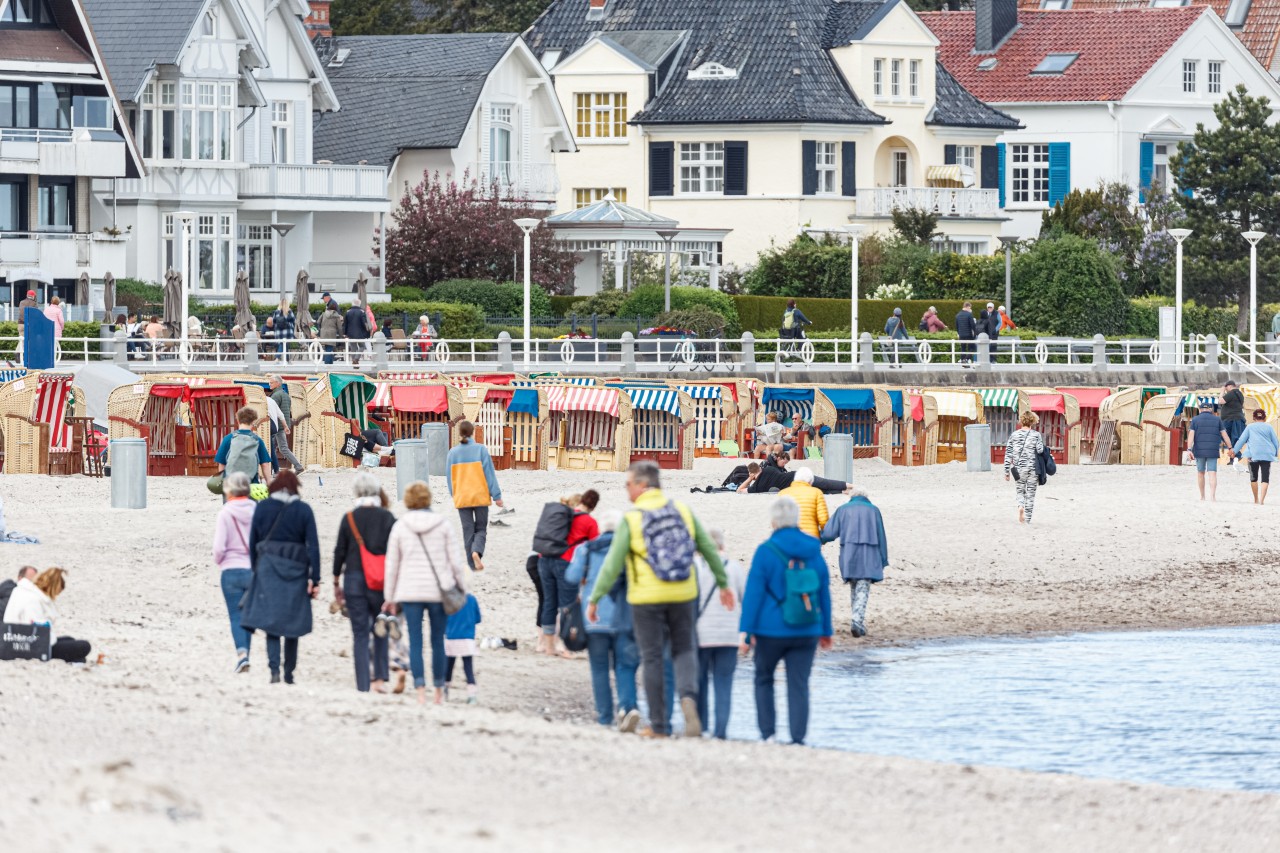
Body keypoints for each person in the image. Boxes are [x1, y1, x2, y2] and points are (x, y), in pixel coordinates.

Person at [588, 462, 732, 739]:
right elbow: (708, 550)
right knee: (685, 650)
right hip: (684, 592)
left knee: (652, 657)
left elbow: (612, 565)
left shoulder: (632, 519)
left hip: (646, 598)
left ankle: (659, 726)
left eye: (628, 484)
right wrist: (723, 584)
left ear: (643, 485)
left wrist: (595, 598)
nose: (627, 489)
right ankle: (688, 699)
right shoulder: (683, 510)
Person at [739, 497, 833, 745]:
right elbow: (823, 589)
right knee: (799, 684)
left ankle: (768, 734)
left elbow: (753, 594)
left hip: (769, 629)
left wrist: (746, 632)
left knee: (764, 678)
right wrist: (826, 630)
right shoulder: (813, 549)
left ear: (773, 521)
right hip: (807, 627)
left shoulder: (765, 551)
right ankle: (798, 738)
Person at [382, 480, 470, 705]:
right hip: (438, 590)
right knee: (438, 641)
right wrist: (461, 587)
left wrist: (389, 597)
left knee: (415, 641)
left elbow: (392, 566)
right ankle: (438, 691)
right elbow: (455, 562)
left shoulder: (400, 526)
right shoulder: (443, 524)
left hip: (409, 591)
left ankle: (420, 690)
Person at [243, 471, 321, 684]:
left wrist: (254, 569)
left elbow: (253, 541)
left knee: (272, 622)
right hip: (297, 568)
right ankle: (289, 673)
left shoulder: (262, 508)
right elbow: (313, 546)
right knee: (292, 622)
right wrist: (316, 578)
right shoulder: (304, 510)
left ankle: (274, 670)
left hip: (268, 568)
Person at [566, 510, 640, 731]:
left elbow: (570, 577)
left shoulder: (585, 549)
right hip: (623, 616)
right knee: (624, 665)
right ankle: (627, 708)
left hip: (594, 618)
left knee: (599, 668)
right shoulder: (628, 551)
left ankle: (604, 717)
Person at [332, 473, 396, 693]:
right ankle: (379, 679)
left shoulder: (349, 518)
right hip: (381, 580)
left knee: (360, 634)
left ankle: (362, 684)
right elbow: (396, 552)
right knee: (381, 629)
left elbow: (339, 551)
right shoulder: (388, 518)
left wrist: (335, 580)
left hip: (354, 580)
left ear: (357, 492)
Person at [695, 528, 747, 740]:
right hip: (728, 635)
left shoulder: (695, 569)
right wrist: (746, 634)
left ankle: (703, 727)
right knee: (723, 684)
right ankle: (721, 732)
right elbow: (747, 601)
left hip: (701, 635)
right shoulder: (734, 568)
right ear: (722, 546)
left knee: (700, 684)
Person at [821, 486, 889, 638]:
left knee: (854, 586)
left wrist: (819, 538)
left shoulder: (843, 509)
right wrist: (883, 558)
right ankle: (857, 622)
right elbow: (881, 535)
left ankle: (856, 620)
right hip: (868, 553)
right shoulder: (874, 510)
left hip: (849, 553)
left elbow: (830, 532)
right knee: (863, 587)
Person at [539, 491, 600, 656]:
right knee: (568, 605)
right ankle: (564, 646)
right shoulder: (589, 521)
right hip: (565, 562)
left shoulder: (564, 514)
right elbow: (595, 549)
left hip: (544, 559)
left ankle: (549, 646)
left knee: (549, 603)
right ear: (593, 506)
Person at [212, 472, 257, 673]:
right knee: (248, 615)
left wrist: (220, 561)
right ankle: (246, 651)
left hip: (230, 568)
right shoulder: (256, 509)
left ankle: (242, 654)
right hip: (252, 569)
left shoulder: (226, 512)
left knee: (235, 615)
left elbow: (219, 548)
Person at [446, 420, 503, 572]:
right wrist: (497, 496)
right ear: (472, 432)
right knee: (481, 528)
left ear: (460, 433)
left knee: (467, 530)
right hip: (480, 495)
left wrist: (454, 494)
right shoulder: (481, 450)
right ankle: (476, 551)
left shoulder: (452, 453)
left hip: (462, 497)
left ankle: (471, 565)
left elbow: (450, 478)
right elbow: (489, 474)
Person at [3, 567, 92, 663]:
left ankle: (76, 661)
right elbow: (36, 632)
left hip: (17, 642)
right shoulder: (32, 600)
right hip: (27, 648)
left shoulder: (25, 592)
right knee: (84, 646)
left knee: (70, 640)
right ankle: (75, 661)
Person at [1004, 411, 1046, 524]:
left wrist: (1006, 472)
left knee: (1020, 491)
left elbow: (1008, 454)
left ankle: (1020, 506)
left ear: (1021, 421)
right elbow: (1040, 450)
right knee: (1031, 494)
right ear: (1032, 421)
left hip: (1018, 469)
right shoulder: (1036, 435)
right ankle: (1027, 519)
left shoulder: (1014, 435)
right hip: (1033, 468)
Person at [215, 407, 272, 486]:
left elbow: (221, 463)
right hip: (251, 485)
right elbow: (265, 464)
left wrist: (222, 482)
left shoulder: (228, 439)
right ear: (253, 421)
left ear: (238, 420)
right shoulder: (257, 440)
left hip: (231, 484)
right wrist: (269, 483)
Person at [1233, 408, 1279, 505]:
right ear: (1265, 418)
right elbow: (1276, 442)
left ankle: (1256, 499)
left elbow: (1241, 440)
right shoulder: (1269, 427)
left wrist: (1234, 451)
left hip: (1252, 454)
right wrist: (1274, 454)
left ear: (1254, 417)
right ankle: (1262, 500)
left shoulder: (1250, 427)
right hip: (1267, 454)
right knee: (1265, 478)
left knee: (1254, 477)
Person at [1188, 403, 1231, 502]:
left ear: (1200, 410)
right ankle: (1212, 496)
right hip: (1212, 449)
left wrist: (1189, 449)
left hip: (1199, 450)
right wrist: (1230, 447)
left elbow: (1191, 435)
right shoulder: (1217, 419)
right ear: (1210, 410)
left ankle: (1202, 496)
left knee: (1200, 473)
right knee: (1212, 473)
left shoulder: (1195, 420)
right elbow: (1224, 435)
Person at [444, 592, 481, 704]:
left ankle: (445, 690)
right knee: (468, 668)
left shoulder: (449, 599)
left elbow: (443, 618)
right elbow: (478, 618)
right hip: (467, 638)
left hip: (451, 637)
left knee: (449, 667)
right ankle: (472, 694)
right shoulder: (472, 599)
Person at [778, 467, 830, 538]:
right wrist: (824, 536)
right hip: (810, 537)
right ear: (810, 481)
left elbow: (778, 519)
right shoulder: (817, 492)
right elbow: (823, 520)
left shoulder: (782, 493)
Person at [267, 376, 302, 473]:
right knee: (274, 448)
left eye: (272, 382)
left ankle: (298, 466)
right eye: (269, 382)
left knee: (282, 448)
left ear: (278, 383)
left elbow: (273, 411)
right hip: (282, 424)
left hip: (277, 425)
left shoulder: (275, 396)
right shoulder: (285, 395)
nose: (269, 384)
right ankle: (274, 469)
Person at [1219, 382, 1247, 468]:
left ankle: (1236, 455)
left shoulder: (1232, 393)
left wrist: (1222, 391)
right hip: (1236, 419)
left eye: (1226, 387)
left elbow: (1220, 401)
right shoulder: (1239, 394)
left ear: (1230, 386)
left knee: (1228, 437)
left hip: (1231, 419)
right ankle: (1234, 458)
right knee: (1234, 438)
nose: (1226, 389)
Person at [318, 299, 343, 364]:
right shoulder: (336, 315)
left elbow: (318, 322)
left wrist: (321, 328)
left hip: (323, 333)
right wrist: (341, 336)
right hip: (331, 333)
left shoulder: (323, 314)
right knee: (329, 348)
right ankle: (327, 363)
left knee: (327, 348)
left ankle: (330, 362)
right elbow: (339, 327)